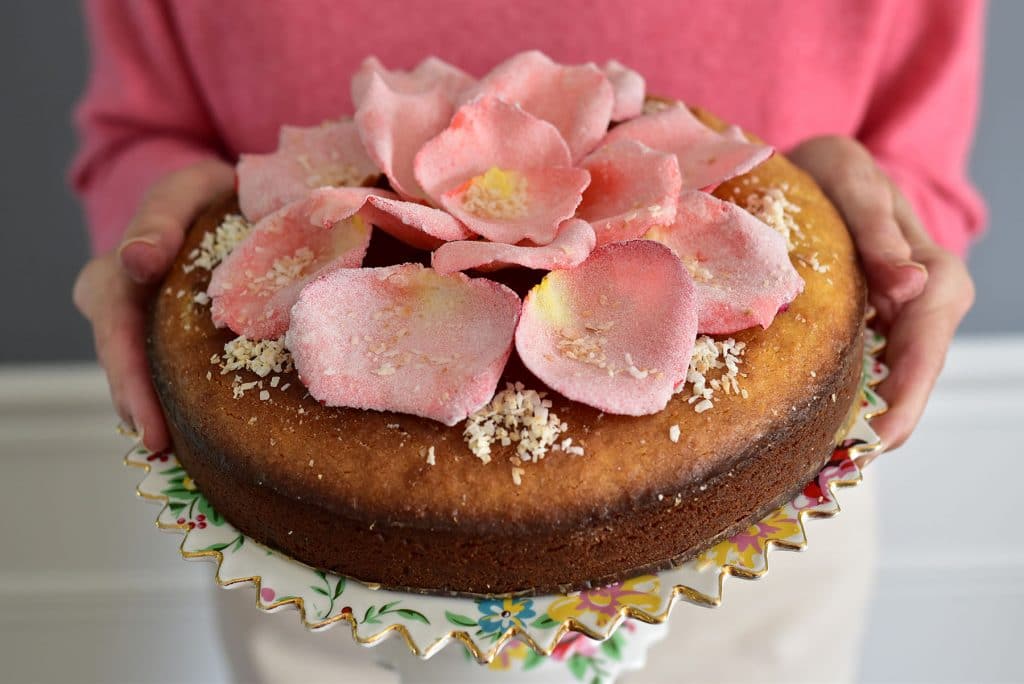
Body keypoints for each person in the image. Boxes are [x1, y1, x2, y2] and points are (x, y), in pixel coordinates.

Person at [70, 1, 985, 681]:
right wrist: (153, 226)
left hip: (755, 548)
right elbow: (144, 128)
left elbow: (919, 122)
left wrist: (895, 230)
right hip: (326, 578)